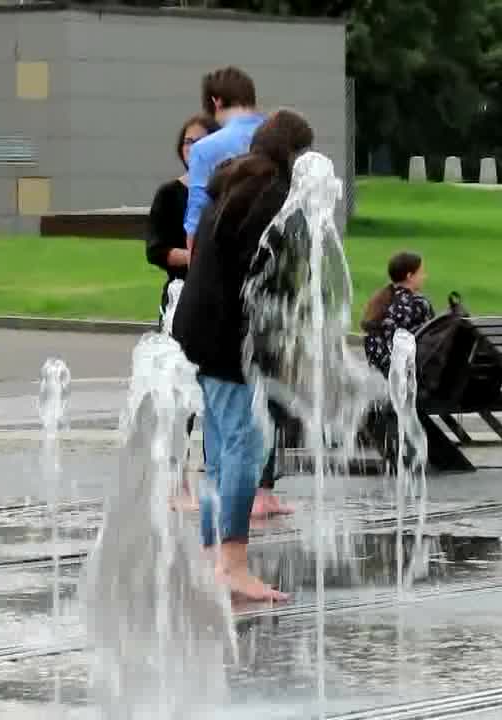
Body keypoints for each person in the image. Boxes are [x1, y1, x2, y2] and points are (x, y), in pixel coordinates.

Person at [173, 110, 314, 602]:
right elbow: (266, 280)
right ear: (295, 154)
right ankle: (232, 564)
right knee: (246, 446)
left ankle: (215, 552)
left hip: (196, 327)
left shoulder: (233, 184)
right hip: (228, 334)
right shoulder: (271, 196)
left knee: (220, 447)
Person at [146, 113, 220, 327]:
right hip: (180, 295)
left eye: (200, 141)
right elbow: (156, 250)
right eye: (188, 142)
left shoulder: (227, 191)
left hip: (220, 297)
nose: (193, 148)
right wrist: (194, 258)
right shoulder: (168, 193)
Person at [183, 66, 263, 252]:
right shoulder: (282, 136)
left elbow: (197, 216)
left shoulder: (204, 149)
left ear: (216, 102)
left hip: (227, 251)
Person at [362, 252, 434, 376]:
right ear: (409, 276)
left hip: (379, 371)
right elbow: (434, 338)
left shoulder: (379, 300)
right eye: (421, 273)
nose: (424, 276)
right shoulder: (418, 303)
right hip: (405, 374)